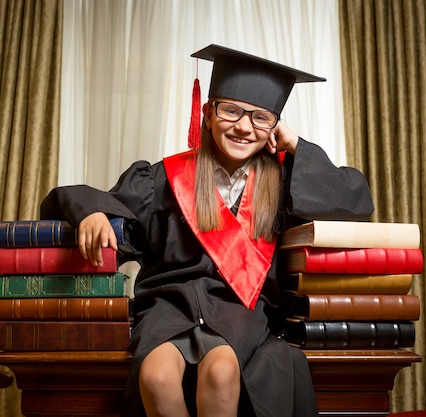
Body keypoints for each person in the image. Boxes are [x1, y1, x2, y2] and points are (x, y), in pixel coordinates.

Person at [40, 44, 374, 417]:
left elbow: (354, 200)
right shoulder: (165, 179)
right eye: (231, 110)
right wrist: (94, 212)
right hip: (168, 305)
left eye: (261, 118)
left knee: (220, 372)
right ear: (208, 113)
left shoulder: (284, 182)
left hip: (240, 309)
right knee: (156, 376)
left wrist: (296, 146)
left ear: (274, 127)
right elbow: (95, 201)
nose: (244, 126)